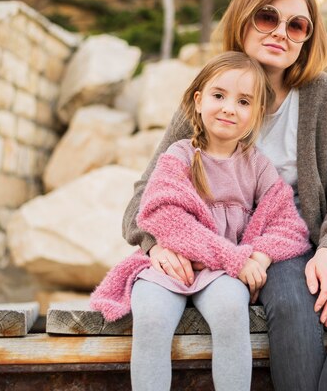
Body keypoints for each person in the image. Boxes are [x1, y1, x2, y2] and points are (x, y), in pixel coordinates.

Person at [122, 0, 327, 389]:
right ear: (243, 19)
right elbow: (148, 195)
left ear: (306, 39)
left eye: (296, 25)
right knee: (292, 300)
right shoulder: (215, 97)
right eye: (267, 17)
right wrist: (157, 244)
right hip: (272, 248)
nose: (280, 31)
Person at [90, 51, 311, 391]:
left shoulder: (257, 166)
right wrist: (234, 258)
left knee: (229, 312)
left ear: (256, 114)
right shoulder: (179, 155)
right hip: (172, 265)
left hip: (222, 274)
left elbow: (287, 223)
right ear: (198, 100)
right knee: (149, 317)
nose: (228, 108)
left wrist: (259, 257)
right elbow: (163, 215)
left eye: (243, 102)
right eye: (218, 96)